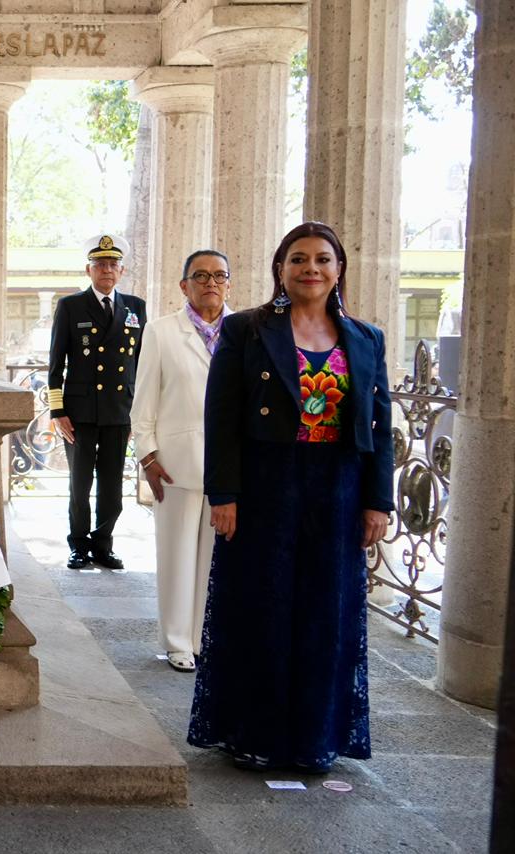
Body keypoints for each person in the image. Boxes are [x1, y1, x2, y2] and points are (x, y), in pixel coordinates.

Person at [188, 221, 393, 772]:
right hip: (265, 486)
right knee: (263, 605)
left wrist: (379, 501)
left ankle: (314, 738)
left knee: (328, 611)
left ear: (338, 270)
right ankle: (254, 733)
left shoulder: (366, 338)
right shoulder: (247, 331)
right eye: (299, 259)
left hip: (340, 489)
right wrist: (223, 494)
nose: (311, 269)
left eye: (323, 260)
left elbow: (380, 425)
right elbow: (222, 418)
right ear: (281, 268)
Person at [130, 250, 232, 672]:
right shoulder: (161, 331)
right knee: (176, 554)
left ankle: (202, 637)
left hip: (228, 464)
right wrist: (147, 455)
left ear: (229, 283)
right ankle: (176, 641)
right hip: (174, 461)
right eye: (201, 276)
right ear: (184, 285)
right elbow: (144, 400)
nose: (211, 283)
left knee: (215, 558)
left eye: (219, 276)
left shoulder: (244, 331)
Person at [48, 233, 147, 570]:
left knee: (111, 485)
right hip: (79, 413)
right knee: (80, 484)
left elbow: (143, 365)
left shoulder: (136, 308)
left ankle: (103, 544)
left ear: (122, 271)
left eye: (113, 264)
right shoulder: (71, 306)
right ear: (88, 270)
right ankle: (78, 546)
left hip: (119, 412)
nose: (107, 269)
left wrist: (140, 413)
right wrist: (57, 411)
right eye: (100, 264)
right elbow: (55, 363)